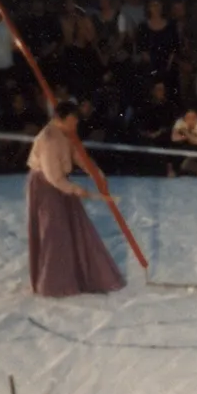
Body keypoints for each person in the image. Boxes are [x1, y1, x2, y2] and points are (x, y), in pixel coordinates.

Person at [26, 101, 126, 297]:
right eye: (71, 121)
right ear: (59, 119)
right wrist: (74, 189)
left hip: (62, 182)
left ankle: (82, 277)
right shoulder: (48, 139)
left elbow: (78, 155)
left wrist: (94, 172)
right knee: (55, 233)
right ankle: (54, 284)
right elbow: (53, 177)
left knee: (76, 228)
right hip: (46, 186)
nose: (75, 126)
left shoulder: (67, 133)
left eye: (76, 122)